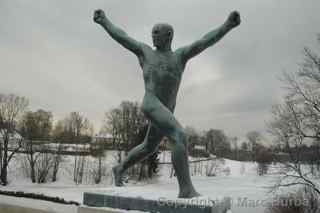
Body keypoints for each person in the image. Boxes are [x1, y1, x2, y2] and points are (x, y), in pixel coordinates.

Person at [93, 9, 241, 198]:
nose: (153, 36)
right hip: (151, 102)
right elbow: (123, 36)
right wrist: (104, 21)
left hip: (166, 109)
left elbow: (204, 42)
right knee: (179, 135)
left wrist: (228, 25)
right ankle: (186, 189)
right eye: (152, 32)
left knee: (149, 147)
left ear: (169, 35)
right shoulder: (145, 52)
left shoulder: (180, 56)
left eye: (157, 33)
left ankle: (120, 168)